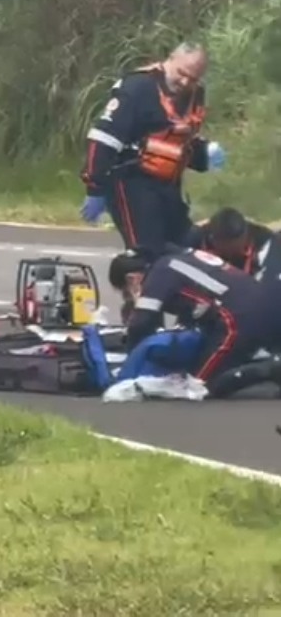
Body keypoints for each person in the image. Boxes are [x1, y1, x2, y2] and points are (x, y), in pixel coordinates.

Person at [80, 43, 226, 259]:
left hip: (168, 185)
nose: (186, 82)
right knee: (148, 254)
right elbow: (103, 139)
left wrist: (205, 154)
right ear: (170, 60)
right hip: (132, 182)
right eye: (182, 74)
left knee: (188, 249)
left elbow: (178, 144)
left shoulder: (194, 93)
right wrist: (95, 188)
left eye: (193, 78)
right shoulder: (139, 87)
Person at [108, 248, 281, 398]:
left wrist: (129, 361)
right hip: (262, 305)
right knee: (214, 363)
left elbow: (141, 324)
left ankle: (270, 370)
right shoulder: (178, 260)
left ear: (132, 280)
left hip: (237, 318)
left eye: (125, 292)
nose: (127, 297)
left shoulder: (157, 276)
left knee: (199, 386)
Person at [185, 207, 280, 279]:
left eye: (236, 249)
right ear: (214, 239)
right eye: (227, 249)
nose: (231, 253)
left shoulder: (265, 244)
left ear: (245, 235)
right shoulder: (197, 238)